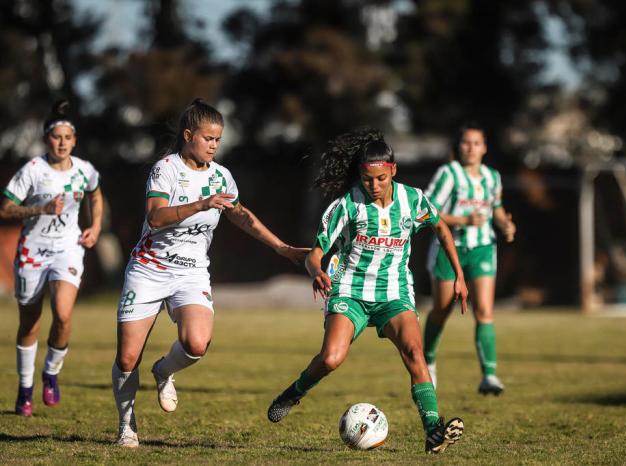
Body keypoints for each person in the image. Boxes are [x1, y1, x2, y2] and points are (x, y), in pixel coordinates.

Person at [112, 99, 307, 448]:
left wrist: (282, 248)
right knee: (127, 357)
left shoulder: (221, 175)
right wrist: (201, 204)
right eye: (208, 138)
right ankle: (126, 425)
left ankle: (163, 371)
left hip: (192, 273)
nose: (215, 145)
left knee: (197, 343)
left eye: (218, 139)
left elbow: (241, 215)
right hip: (149, 269)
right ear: (188, 136)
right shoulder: (166, 169)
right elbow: (156, 218)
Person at [267, 128, 468, 454]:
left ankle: (433, 431)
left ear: (393, 171)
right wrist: (317, 271)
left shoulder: (413, 200)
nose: (373, 186)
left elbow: (441, 228)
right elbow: (316, 253)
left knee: (416, 354)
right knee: (331, 359)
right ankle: (295, 392)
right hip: (350, 291)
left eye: (380, 179)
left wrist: (459, 275)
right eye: (366, 179)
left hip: (394, 294)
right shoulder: (346, 206)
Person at [0, 100, 103, 417]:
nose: (62, 142)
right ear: (48, 139)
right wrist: (39, 209)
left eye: (67, 138)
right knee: (29, 323)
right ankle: (25, 388)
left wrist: (95, 226)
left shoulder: (84, 170)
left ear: (74, 141)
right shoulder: (33, 170)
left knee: (62, 313)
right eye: (56, 137)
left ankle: (51, 373)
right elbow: (5, 208)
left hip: (67, 249)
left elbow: (96, 194)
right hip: (32, 250)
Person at [423, 122, 516, 395]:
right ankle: (428, 363)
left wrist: (505, 224)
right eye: (466, 142)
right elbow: (427, 211)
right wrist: (462, 219)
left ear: (484, 148)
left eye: (477, 143)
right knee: (442, 309)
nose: (471, 148)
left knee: (485, 311)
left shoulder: (492, 177)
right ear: (458, 146)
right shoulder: (448, 174)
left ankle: (489, 376)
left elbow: (496, 208)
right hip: (448, 249)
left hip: (482, 248)